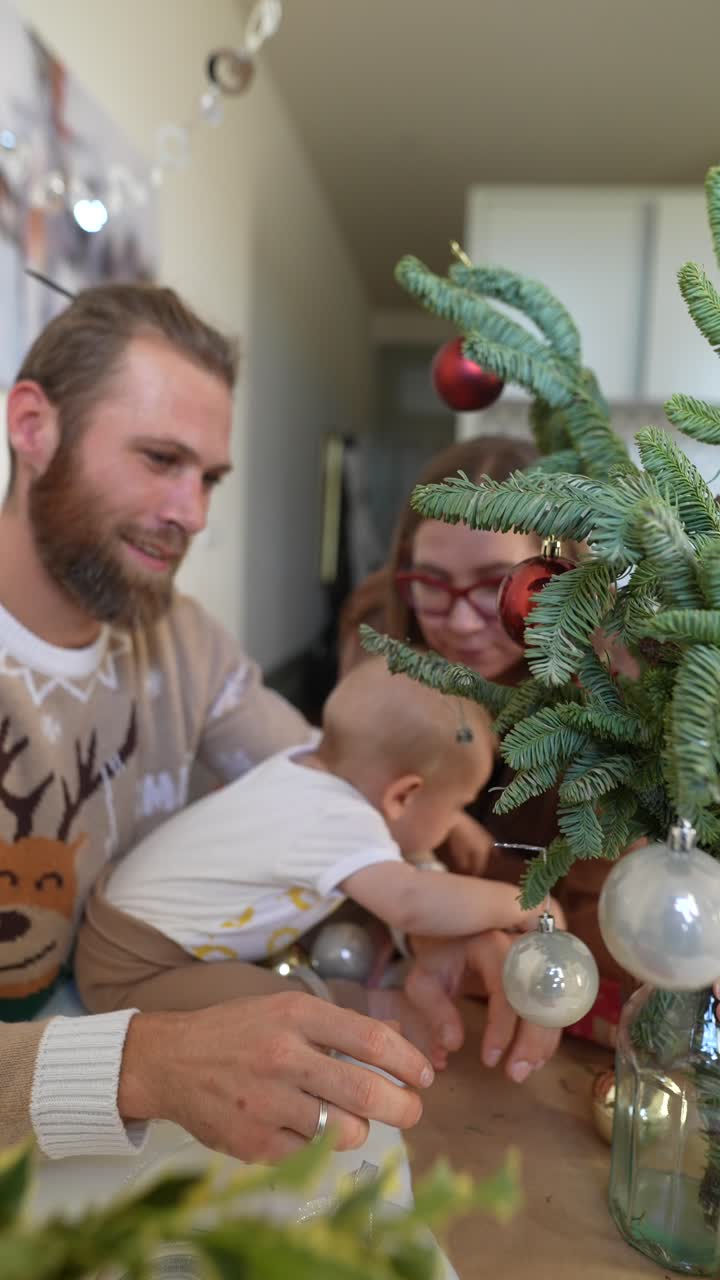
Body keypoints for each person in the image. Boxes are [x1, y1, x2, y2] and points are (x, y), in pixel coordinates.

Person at [0, 287, 555, 1162]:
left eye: (210, 477)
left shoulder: (183, 641)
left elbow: (338, 779)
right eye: (158, 459)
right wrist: (139, 1063)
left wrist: (448, 921)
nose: (194, 513)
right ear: (31, 427)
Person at [75, 658, 555, 1018]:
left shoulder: (305, 766)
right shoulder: (337, 820)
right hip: (135, 973)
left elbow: (404, 854)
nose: (453, 825)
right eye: (458, 808)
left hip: (117, 926)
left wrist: (451, 825)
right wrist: (526, 901)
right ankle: (374, 1006)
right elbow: (410, 900)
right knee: (282, 1009)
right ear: (404, 795)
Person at [339, 435, 629, 1017]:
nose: (463, 621)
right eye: (432, 582)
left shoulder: (610, 691)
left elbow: (605, 924)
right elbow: (346, 829)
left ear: (560, 576)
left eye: (500, 585)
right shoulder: (383, 631)